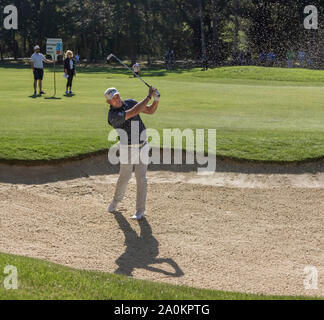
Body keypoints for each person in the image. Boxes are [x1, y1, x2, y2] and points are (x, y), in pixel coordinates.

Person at [106, 86, 160, 220]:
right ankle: (115, 202)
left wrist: (156, 100)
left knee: (141, 178)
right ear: (109, 102)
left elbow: (150, 110)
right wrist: (148, 96)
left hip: (143, 145)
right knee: (124, 177)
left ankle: (140, 211)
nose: (117, 99)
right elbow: (134, 112)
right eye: (113, 98)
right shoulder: (113, 116)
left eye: (117, 95)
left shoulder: (130, 102)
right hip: (127, 148)